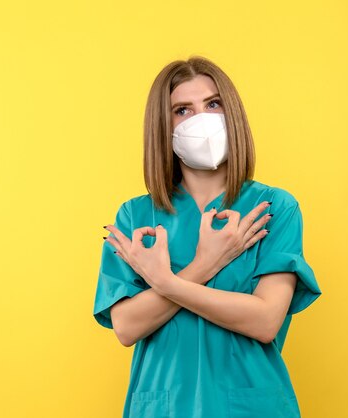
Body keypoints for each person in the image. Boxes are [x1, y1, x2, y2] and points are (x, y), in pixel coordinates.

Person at [93, 56, 322, 418]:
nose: (201, 119)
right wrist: (205, 263)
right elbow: (127, 325)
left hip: (250, 406)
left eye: (213, 104)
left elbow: (264, 321)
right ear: (162, 127)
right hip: (164, 406)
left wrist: (164, 282)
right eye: (182, 110)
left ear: (231, 113)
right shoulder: (137, 216)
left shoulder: (273, 208)